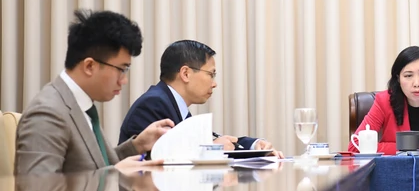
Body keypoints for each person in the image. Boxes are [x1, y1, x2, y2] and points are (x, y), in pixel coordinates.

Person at [15, 9, 171, 175]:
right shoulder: (47, 113)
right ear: (90, 66)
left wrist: (137, 146)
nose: (123, 80)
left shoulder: (80, 104)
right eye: (121, 69)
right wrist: (114, 175)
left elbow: (94, 165)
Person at [119, 40, 284, 158]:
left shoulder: (171, 104)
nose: (214, 84)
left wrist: (254, 146)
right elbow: (158, 160)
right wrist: (212, 149)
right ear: (185, 73)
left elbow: (211, 139)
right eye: (211, 74)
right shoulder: (153, 104)